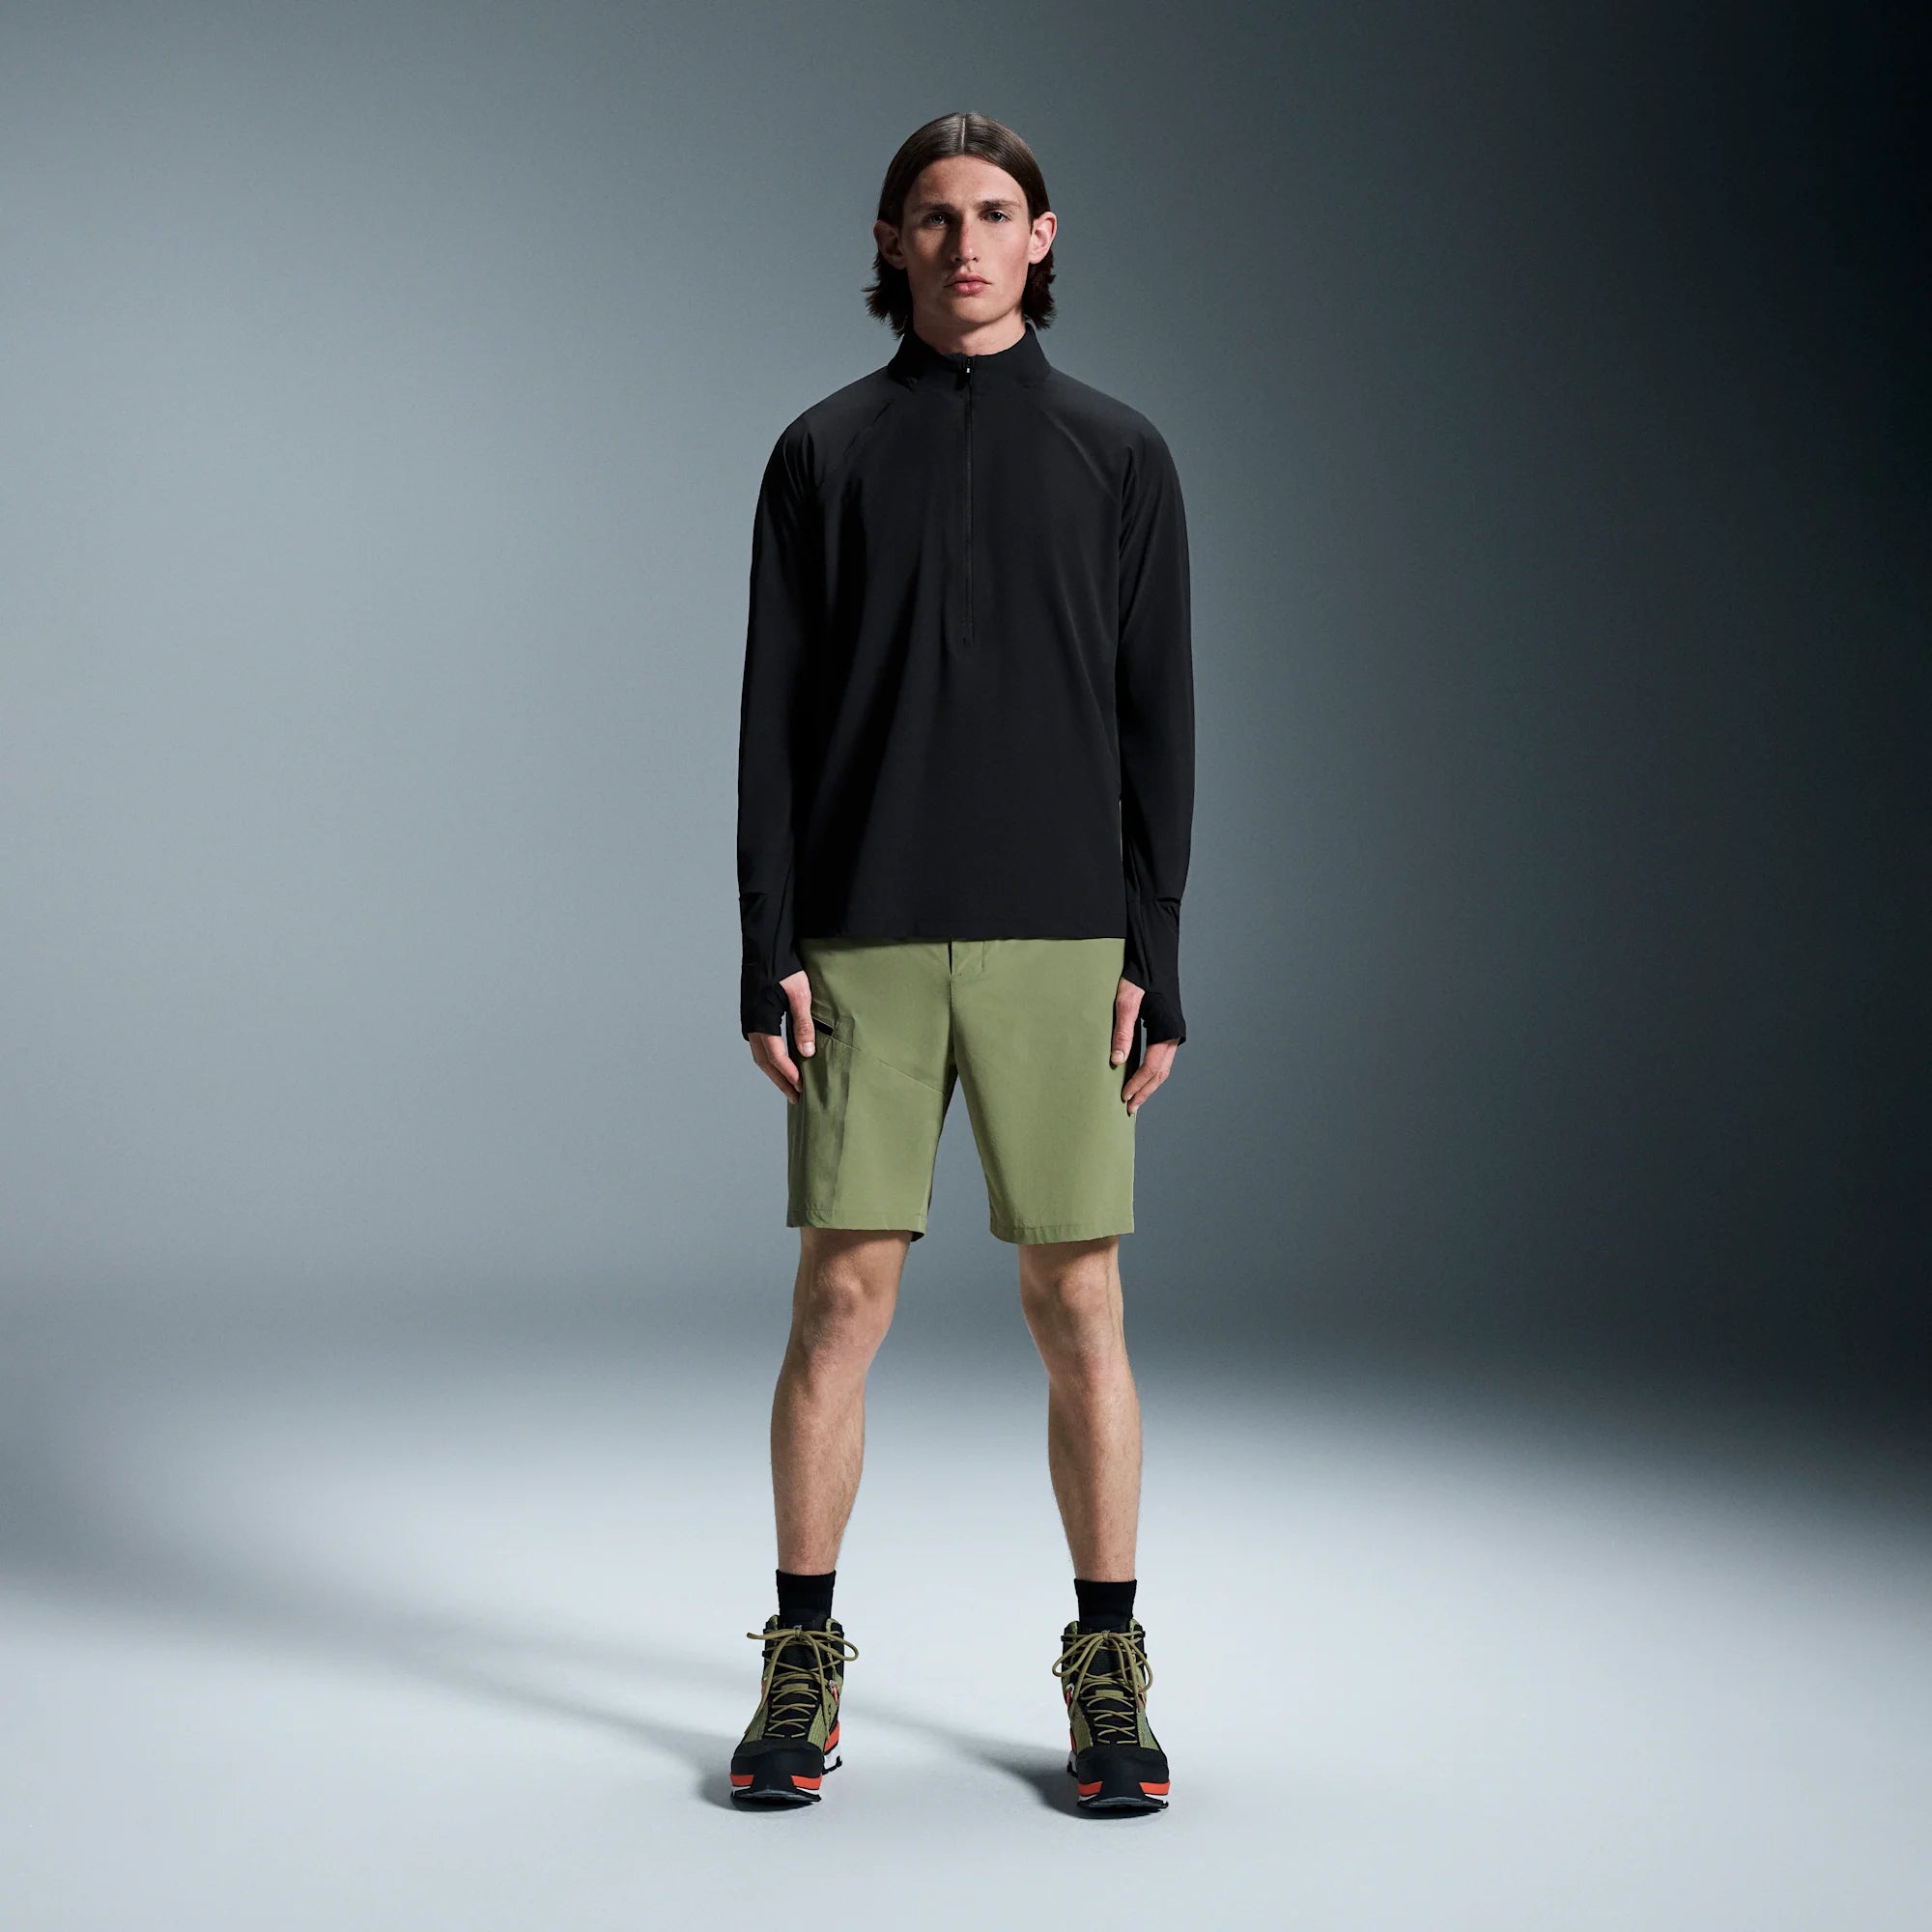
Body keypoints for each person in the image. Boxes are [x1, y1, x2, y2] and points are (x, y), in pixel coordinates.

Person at [728, 110, 1195, 1814]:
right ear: (891, 242)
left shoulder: (1120, 455)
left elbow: (1159, 721)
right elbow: (774, 715)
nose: (967, 242)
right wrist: (766, 938)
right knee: (840, 1297)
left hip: (1064, 931)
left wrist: (1157, 945)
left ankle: (1108, 1663)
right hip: (862, 929)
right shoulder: (822, 452)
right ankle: (798, 1660)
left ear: (1043, 238)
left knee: (1080, 1299)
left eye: (996, 213)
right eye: (935, 216)